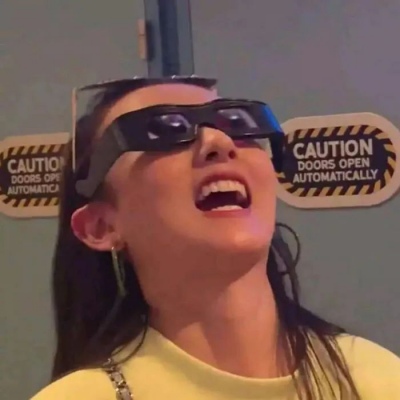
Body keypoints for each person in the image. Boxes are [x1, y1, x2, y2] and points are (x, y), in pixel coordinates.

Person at [32, 76, 400, 400]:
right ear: (101, 226)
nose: (218, 140)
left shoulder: (377, 378)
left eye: (237, 123)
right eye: (163, 130)